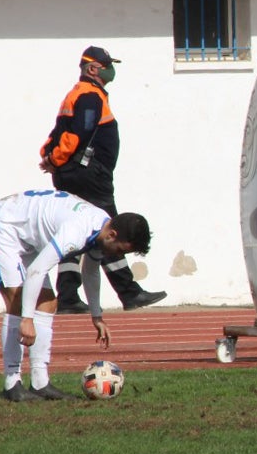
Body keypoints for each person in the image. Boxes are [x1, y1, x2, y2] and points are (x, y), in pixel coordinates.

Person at [0, 190, 153, 402]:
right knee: (18, 302)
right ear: (112, 235)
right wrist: (27, 319)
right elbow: (36, 271)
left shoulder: (101, 229)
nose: (118, 256)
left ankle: (40, 383)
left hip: (27, 238)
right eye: (121, 250)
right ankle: (12, 384)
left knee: (48, 303)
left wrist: (97, 316)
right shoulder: (77, 231)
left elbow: (91, 270)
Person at [39, 46, 166, 314]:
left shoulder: (79, 95)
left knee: (77, 231)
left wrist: (51, 159)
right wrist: (57, 159)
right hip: (89, 176)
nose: (111, 69)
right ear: (93, 68)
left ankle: (69, 296)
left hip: (79, 175)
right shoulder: (88, 96)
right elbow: (78, 135)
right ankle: (129, 293)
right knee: (112, 228)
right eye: (107, 64)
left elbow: (57, 133)